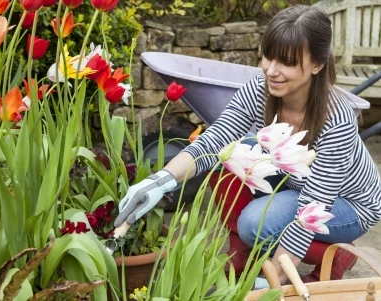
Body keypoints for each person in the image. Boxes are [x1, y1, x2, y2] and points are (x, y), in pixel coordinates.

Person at [114, 5, 381, 284]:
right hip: (298, 182)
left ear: (317, 64)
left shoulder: (337, 120)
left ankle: (335, 254)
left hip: (349, 204)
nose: (272, 71)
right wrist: (160, 182)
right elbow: (218, 138)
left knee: (254, 224)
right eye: (268, 57)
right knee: (240, 148)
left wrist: (268, 282)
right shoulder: (261, 88)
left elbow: (311, 210)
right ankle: (245, 250)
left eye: (287, 62)